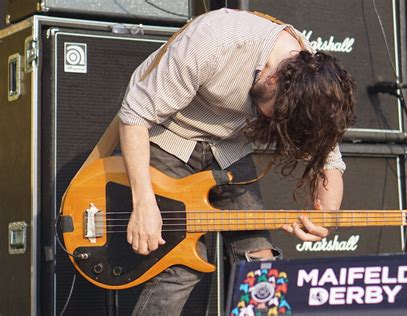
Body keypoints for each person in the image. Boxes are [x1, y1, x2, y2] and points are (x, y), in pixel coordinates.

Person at [118, 8, 355, 315]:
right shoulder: (214, 41)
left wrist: (326, 213)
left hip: (229, 150)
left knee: (261, 262)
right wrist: (144, 204)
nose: (270, 123)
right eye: (274, 116)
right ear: (272, 79)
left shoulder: (310, 82)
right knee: (178, 269)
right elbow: (134, 115)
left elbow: (328, 157)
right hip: (166, 138)